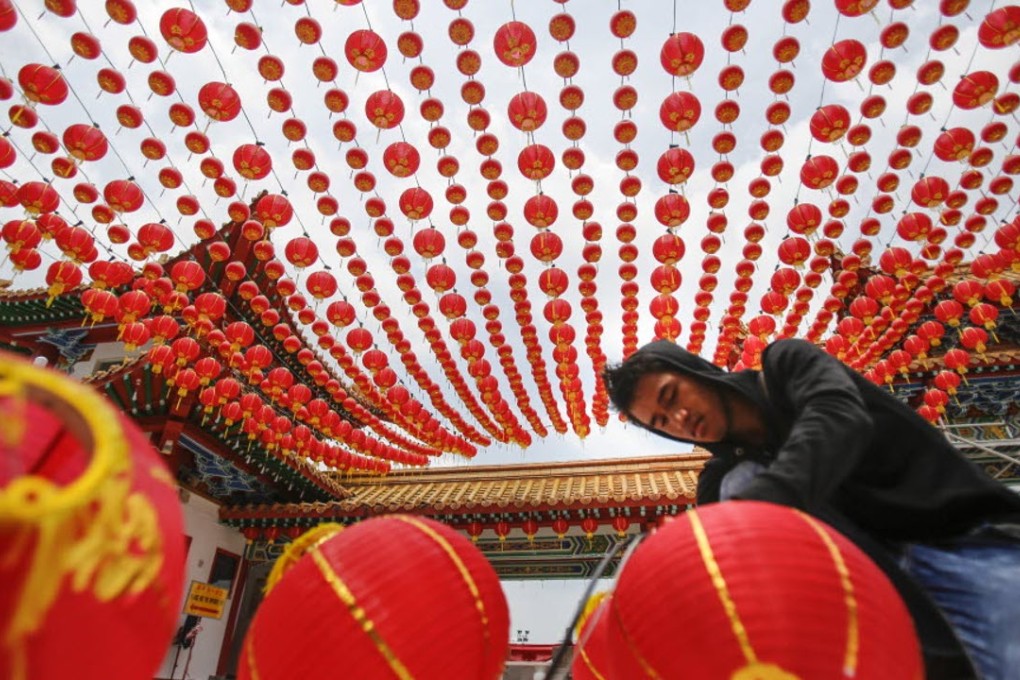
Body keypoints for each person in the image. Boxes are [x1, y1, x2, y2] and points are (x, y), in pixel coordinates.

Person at [603, 337, 1020, 680]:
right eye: (661, 422)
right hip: (881, 602)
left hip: (956, 544)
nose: (678, 418)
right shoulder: (719, 482)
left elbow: (837, 415)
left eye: (672, 395)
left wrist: (755, 510)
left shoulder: (786, 367)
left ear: (695, 369)